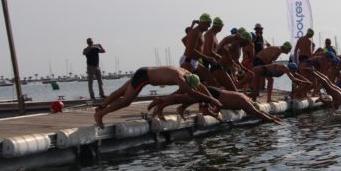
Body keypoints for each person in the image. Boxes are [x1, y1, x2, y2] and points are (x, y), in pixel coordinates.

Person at [94, 66, 222, 128]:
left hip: (143, 71)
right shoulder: (180, 77)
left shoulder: (187, 74)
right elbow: (192, 93)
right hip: (144, 77)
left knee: (120, 91)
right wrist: (212, 100)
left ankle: (101, 107)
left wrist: (211, 98)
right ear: (187, 82)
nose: (187, 88)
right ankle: (100, 114)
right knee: (126, 101)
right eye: (189, 86)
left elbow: (201, 88)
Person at [148, 86, 283, 125]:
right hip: (214, 94)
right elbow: (258, 113)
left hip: (216, 93)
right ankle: (160, 101)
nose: (252, 109)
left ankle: (179, 108)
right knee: (182, 97)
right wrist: (272, 120)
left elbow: (259, 111)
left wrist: (271, 116)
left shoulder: (246, 99)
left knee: (189, 99)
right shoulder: (245, 102)